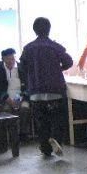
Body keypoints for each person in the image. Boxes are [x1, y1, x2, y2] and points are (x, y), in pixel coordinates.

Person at [20, 17, 73, 158]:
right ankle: (56, 139)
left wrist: (32, 74)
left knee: (41, 121)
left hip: (36, 91)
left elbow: (22, 67)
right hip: (55, 89)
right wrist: (58, 68)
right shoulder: (54, 46)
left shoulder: (28, 48)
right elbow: (69, 61)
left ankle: (45, 148)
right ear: (49, 29)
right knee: (58, 118)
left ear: (34, 30)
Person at [0, 48, 31, 138]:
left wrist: (20, 98)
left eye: (12, 58)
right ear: (3, 59)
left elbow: (29, 86)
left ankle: (23, 134)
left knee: (25, 109)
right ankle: (11, 136)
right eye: (8, 59)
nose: (11, 61)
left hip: (21, 98)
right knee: (7, 111)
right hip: (5, 99)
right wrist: (7, 99)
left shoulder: (23, 69)